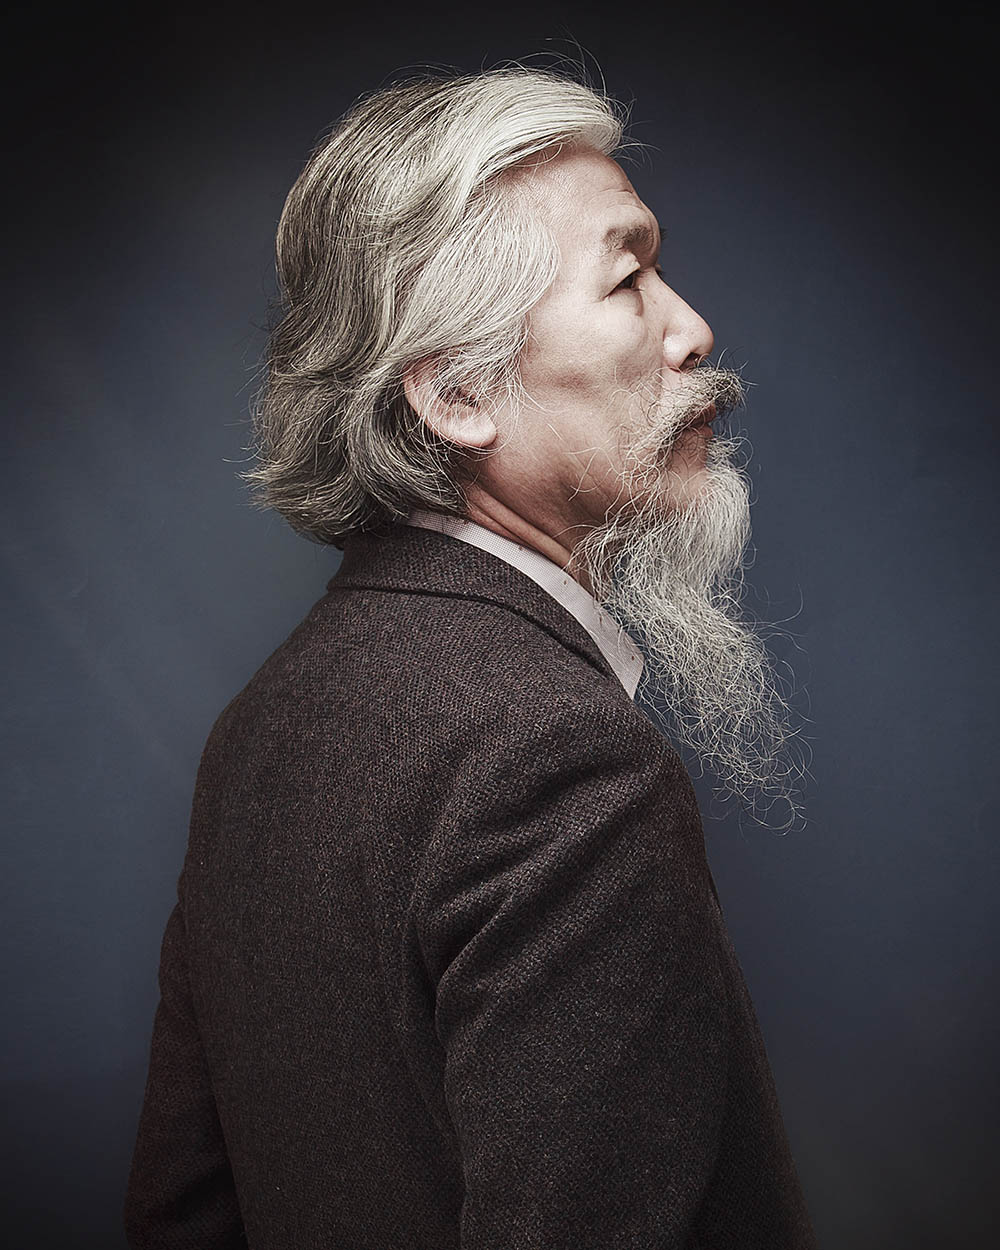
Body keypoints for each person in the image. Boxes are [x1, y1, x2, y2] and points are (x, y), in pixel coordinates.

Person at [124, 66, 817, 1249]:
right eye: (627, 280)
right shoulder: (562, 756)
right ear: (456, 393)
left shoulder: (261, 725)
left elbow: (184, 1212)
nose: (690, 328)